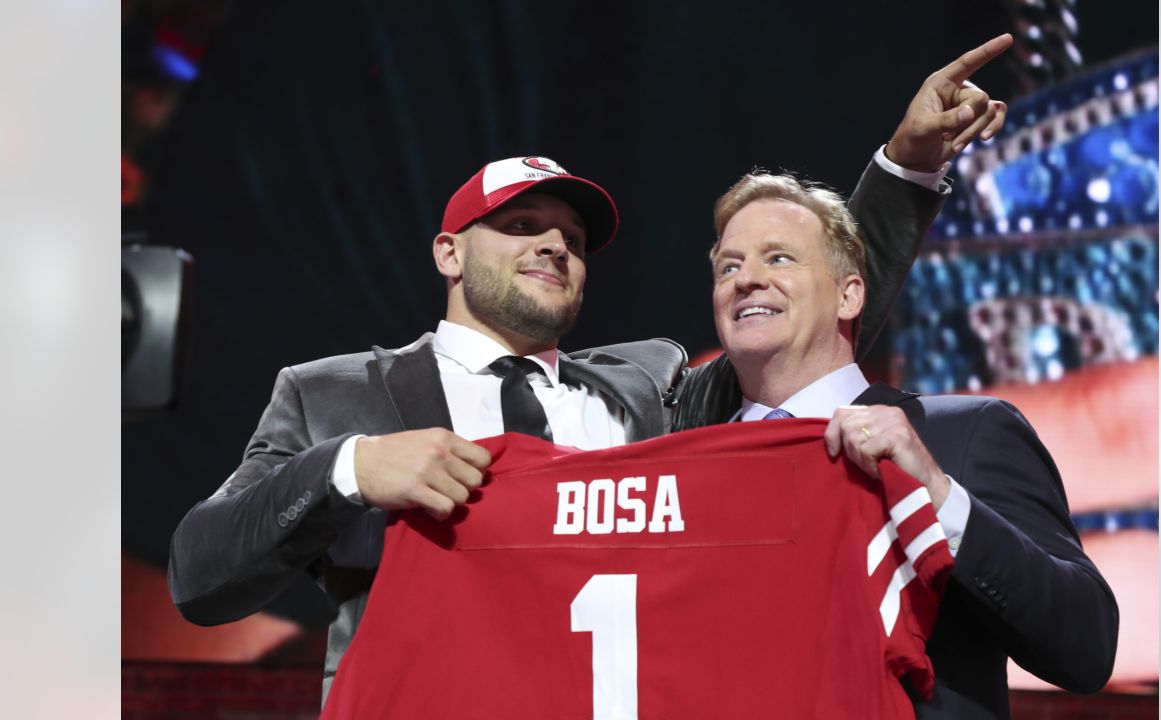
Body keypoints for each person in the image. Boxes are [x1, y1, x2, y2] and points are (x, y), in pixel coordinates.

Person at [167, 36, 1013, 704]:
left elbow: (804, 323)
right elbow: (202, 576)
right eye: (522, 224)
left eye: (570, 239)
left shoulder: (653, 393)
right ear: (448, 254)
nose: (553, 245)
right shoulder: (334, 394)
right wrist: (350, 468)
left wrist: (906, 166)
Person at [670, 165, 1119, 718]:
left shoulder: (962, 434)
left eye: (779, 258)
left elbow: (1086, 646)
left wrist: (937, 493)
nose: (746, 279)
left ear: (851, 295)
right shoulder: (683, 463)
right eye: (728, 266)